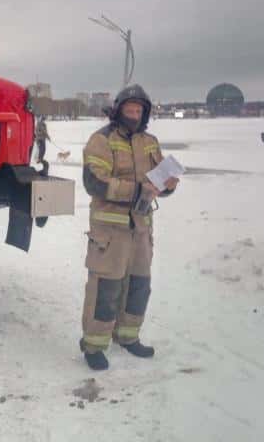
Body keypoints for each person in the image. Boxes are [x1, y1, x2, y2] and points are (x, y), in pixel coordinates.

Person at [79, 84, 179, 370]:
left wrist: (169, 184)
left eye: (139, 110)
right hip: (111, 231)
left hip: (142, 228)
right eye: (129, 109)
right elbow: (94, 182)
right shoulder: (102, 140)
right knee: (106, 288)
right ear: (119, 109)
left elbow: (160, 177)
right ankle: (94, 344)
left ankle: (128, 336)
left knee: (138, 285)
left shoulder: (150, 141)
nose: (134, 115)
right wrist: (136, 190)